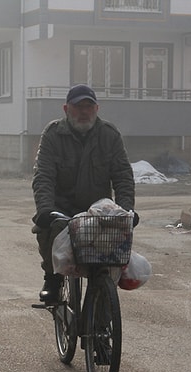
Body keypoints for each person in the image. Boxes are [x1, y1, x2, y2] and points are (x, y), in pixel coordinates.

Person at [32, 84, 138, 303]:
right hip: (62, 210)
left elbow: (123, 176)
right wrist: (45, 209)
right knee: (46, 227)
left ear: (96, 109)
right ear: (66, 109)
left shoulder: (109, 135)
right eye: (78, 107)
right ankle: (52, 278)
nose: (83, 112)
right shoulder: (53, 134)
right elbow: (44, 176)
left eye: (88, 107)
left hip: (98, 212)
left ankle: (102, 306)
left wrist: (126, 209)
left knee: (107, 257)